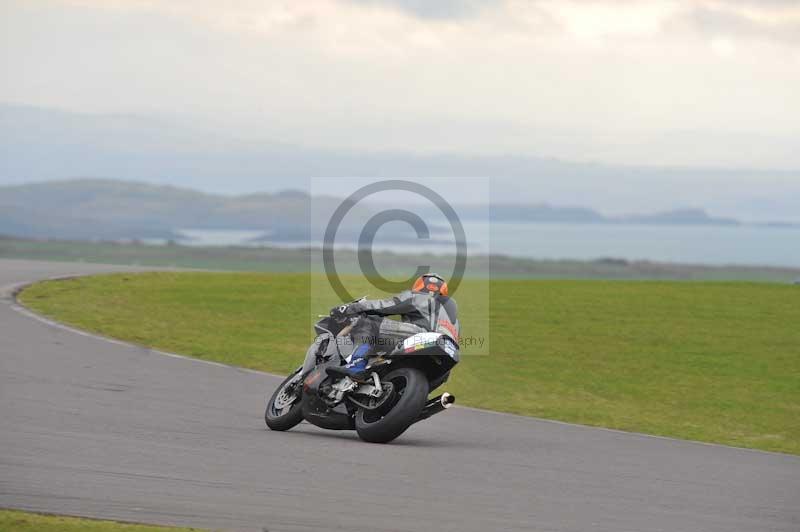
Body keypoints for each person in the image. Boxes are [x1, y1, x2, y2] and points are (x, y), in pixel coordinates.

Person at [326, 273, 460, 380]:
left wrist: (349, 308)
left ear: (420, 285)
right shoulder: (453, 317)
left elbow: (385, 306)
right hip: (446, 354)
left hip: (419, 336)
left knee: (368, 323)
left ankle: (356, 364)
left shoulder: (419, 297)